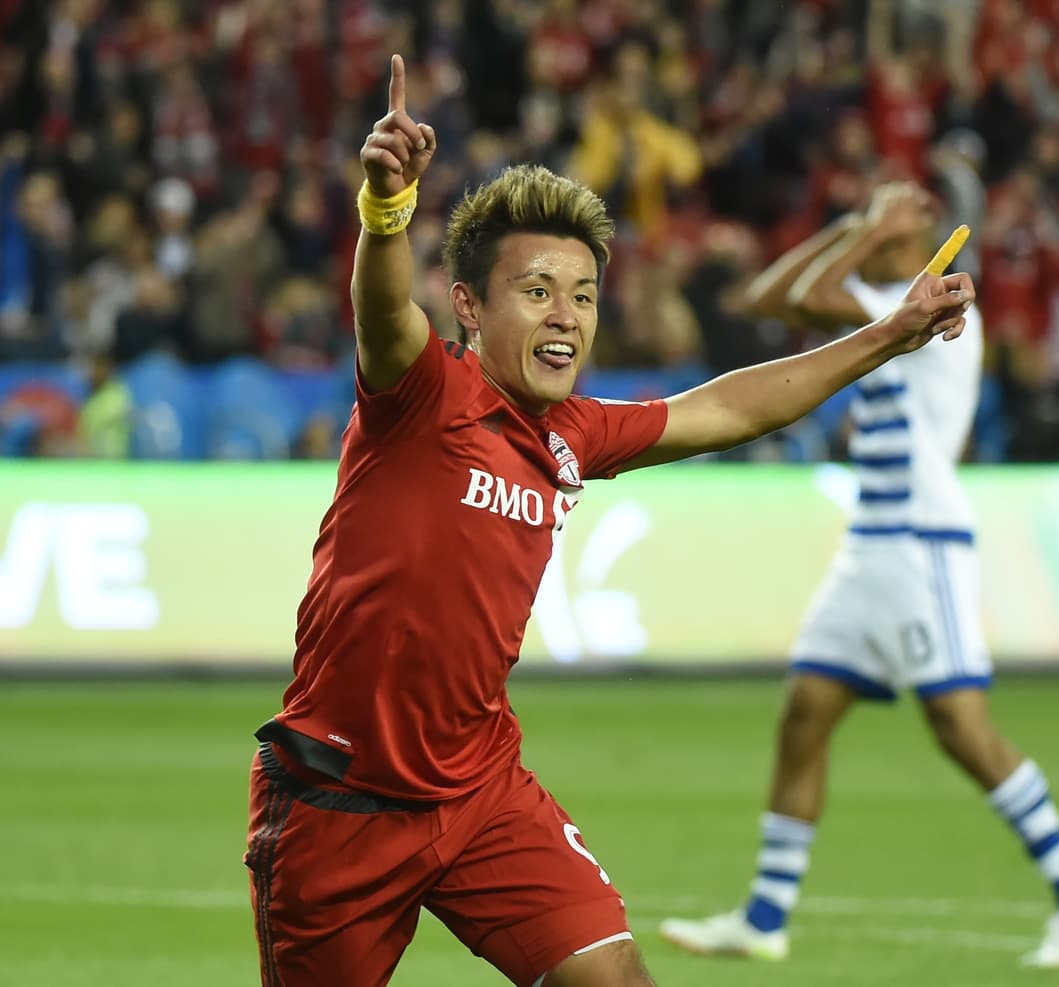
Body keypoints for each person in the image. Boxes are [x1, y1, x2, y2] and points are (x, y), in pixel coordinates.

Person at [244, 58, 974, 987]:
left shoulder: (572, 432)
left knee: (617, 980)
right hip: (339, 802)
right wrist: (386, 210)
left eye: (583, 294)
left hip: (478, 791)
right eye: (537, 290)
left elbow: (733, 409)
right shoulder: (421, 394)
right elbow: (383, 310)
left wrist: (887, 334)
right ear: (467, 305)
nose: (567, 316)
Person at [658, 183, 1059, 970]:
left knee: (962, 730)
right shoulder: (874, 297)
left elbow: (802, 294)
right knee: (805, 711)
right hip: (869, 540)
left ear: (913, 234)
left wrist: (863, 232)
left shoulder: (930, 304)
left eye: (885, 215)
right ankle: (765, 915)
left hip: (919, 541)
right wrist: (852, 226)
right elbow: (770, 296)